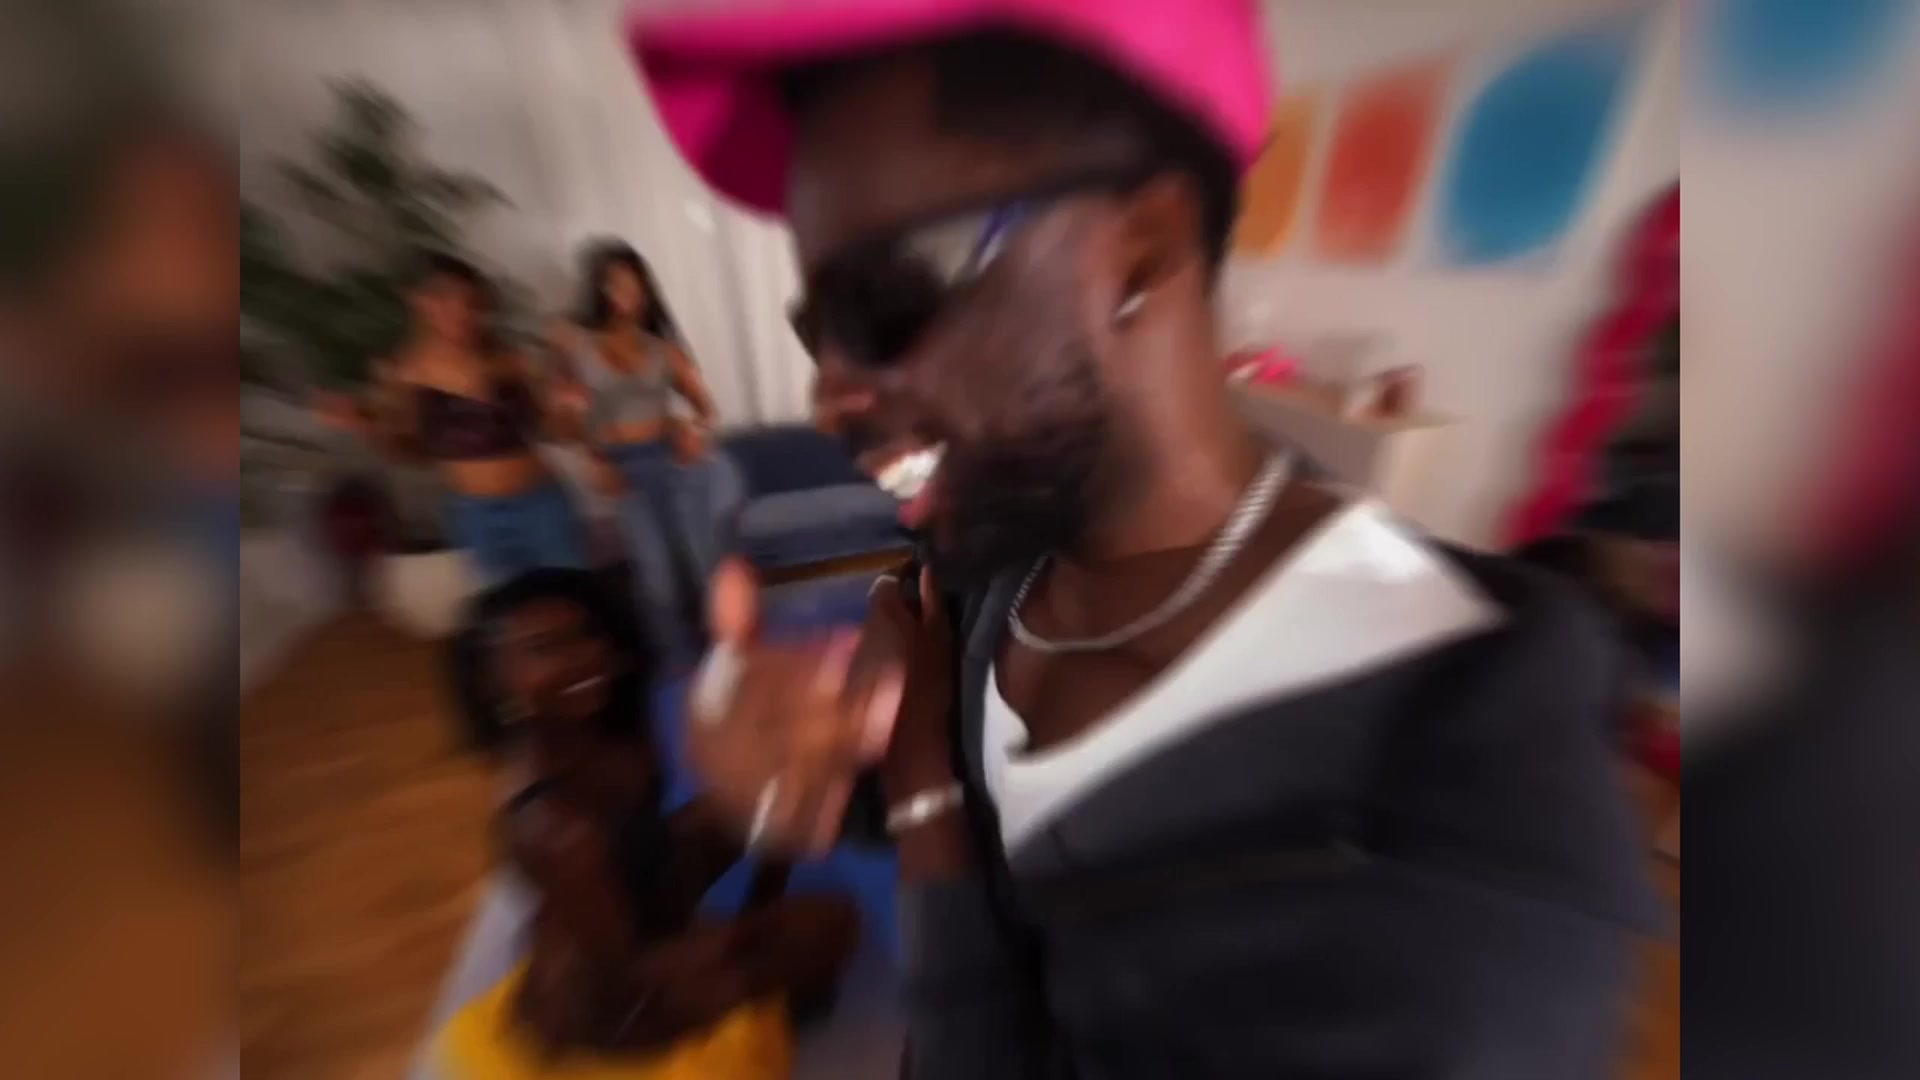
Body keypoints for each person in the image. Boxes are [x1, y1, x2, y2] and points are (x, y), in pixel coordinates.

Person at [630, 4, 1662, 1078]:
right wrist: (839, 775)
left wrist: (926, 806)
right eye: (816, 332)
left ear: (1143, 246)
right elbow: (1010, 849)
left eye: (882, 303)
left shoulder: (1452, 852)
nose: (830, 395)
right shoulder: (1008, 552)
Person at [432, 568, 859, 1075]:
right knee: (826, 924)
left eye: (588, 635)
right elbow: (627, 978)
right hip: (615, 1002)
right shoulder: (551, 827)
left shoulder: (613, 737)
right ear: (492, 681)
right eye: (546, 648)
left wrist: (775, 814)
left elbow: (659, 836)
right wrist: (750, 934)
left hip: (634, 904)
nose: (586, 658)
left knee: (748, 811)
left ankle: (776, 995)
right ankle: (777, 1006)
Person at [314, 253, 589, 584]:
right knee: (504, 608)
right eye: (444, 298)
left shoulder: (510, 359)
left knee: (573, 597)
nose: (459, 311)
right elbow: (408, 452)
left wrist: (568, 402)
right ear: (419, 301)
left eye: (470, 302)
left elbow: (557, 431)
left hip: (540, 503)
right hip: (476, 516)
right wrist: (362, 426)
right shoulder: (401, 374)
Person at [550, 240, 741, 659]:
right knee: (657, 575)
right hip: (622, 470)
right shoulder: (575, 345)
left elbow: (706, 408)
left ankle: (723, 652)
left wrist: (692, 427)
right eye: (614, 285)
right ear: (598, 289)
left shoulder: (663, 349)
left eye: (633, 286)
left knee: (701, 564)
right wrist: (591, 456)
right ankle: (677, 662)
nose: (625, 296)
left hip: (672, 460)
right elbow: (564, 424)